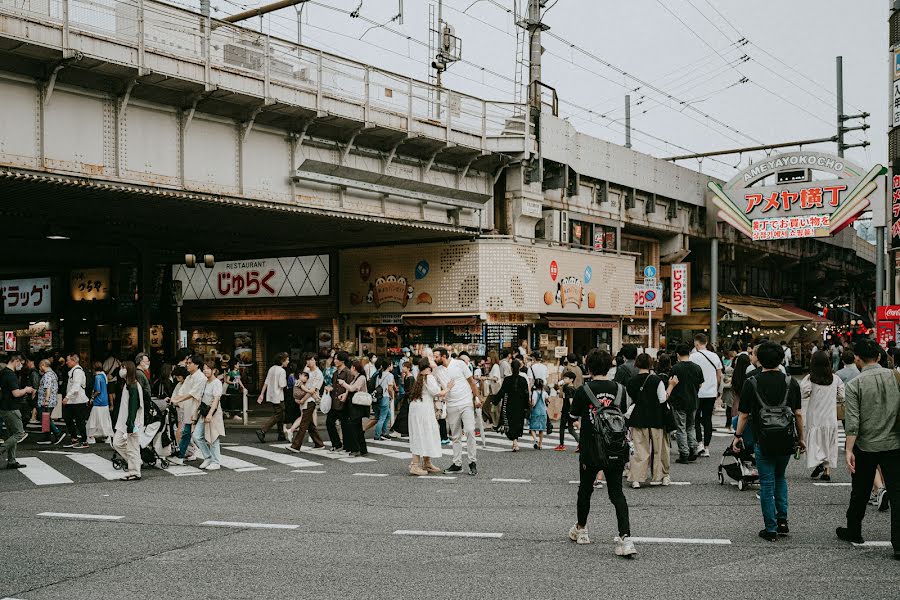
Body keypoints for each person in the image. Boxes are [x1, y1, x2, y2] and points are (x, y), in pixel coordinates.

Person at [732, 341, 804, 542]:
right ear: (781, 359)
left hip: (762, 439)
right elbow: (798, 414)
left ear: (759, 360)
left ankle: (770, 528)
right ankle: (782, 521)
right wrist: (802, 439)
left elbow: (744, 415)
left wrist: (737, 437)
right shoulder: (791, 382)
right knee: (780, 478)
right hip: (785, 439)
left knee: (766, 483)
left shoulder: (752, 382)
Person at [568, 349, 635, 557]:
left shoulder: (583, 390)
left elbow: (572, 416)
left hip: (590, 448)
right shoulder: (621, 390)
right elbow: (626, 414)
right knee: (617, 493)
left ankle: (582, 529)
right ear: (610, 366)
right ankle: (625, 538)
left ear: (588, 367)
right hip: (615, 448)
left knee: (585, 490)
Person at [836, 339, 900, 560]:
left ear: (857, 359)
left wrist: (848, 450)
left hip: (866, 445)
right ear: (880, 357)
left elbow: (853, 422)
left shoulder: (855, 384)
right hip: (894, 443)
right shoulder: (896, 378)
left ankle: (854, 530)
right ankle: (899, 545)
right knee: (898, 493)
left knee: (860, 491)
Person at [433, 347, 482, 475]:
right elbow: (433, 384)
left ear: (444, 356)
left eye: (436, 356)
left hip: (466, 402)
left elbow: (471, 382)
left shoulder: (459, 364)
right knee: (455, 436)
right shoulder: (437, 371)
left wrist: (476, 397)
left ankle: (472, 462)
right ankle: (457, 463)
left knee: (470, 431)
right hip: (451, 405)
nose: (434, 359)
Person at [625, 353, 670, 488]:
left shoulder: (631, 381)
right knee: (660, 449)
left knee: (639, 448)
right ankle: (662, 476)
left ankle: (636, 478)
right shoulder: (656, 380)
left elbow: (629, 401)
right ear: (651, 364)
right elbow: (662, 399)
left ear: (637, 364)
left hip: (638, 417)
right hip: (656, 417)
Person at [801, 351, 843, 482]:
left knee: (816, 442)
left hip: (815, 417)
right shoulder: (835, 379)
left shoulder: (810, 379)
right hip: (830, 416)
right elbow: (842, 395)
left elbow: (803, 393)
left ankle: (819, 462)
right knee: (829, 443)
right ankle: (827, 471)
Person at [407, 358, 446, 476]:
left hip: (417, 409)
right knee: (423, 433)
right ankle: (415, 465)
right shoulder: (429, 377)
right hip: (423, 410)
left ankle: (426, 462)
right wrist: (448, 388)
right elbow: (437, 392)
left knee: (422, 433)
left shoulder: (421, 375)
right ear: (429, 366)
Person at [669, 344, 703, 464]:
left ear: (678, 354)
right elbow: (700, 385)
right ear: (689, 353)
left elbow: (671, 384)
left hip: (679, 402)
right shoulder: (697, 367)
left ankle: (684, 453)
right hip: (693, 401)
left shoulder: (675, 368)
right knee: (691, 426)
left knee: (681, 428)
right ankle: (693, 449)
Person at [0, 353, 35, 469]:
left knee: (12, 434)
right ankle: (3, 451)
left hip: (4, 407)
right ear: (16, 361)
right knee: (19, 433)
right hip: (12, 408)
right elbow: (16, 393)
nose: (21, 366)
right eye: (21, 363)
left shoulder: (3, 373)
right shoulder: (11, 375)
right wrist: (26, 389)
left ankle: (11, 461)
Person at [168, 355, 205, 463]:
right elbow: (182, 391)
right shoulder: (189, 377)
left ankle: (209, 457)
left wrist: (177, 400)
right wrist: (174, 399)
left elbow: (192, 394)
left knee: (199, 435)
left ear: (197, 365)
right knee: (187, 433)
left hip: (197, 409)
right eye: (187, 363)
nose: (187, 365)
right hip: (189, 409)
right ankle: (181, 455)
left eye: (189, 363)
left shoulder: (200, 377)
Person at [690, 334, 722, 458]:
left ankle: (699, 444)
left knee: (696, 419)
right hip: (711, 392)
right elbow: (719, 375)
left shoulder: (693, 357)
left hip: (697, 392)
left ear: (696, 344)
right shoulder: (714, 356)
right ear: (706, 342)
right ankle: (707, 448)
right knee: (708, 419)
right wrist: (716, 389)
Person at [113, 361, 144, 481]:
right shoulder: (128, 384)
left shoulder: (133, 386)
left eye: (123, 368)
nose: (121, 370)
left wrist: (130, 423)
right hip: (125, 422)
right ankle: (136, 462)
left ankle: (135, 471)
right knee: (117, 443)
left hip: (132, 422)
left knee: (133, 447)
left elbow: (133, 406)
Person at [190, 363, 225, 471]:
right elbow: (200, 399)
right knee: (196, 435)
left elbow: (216, 399)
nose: (205, 371)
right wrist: (195, 413)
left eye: (208, 369)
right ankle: (208, 457)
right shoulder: (205, 382)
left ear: (214, 370)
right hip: (204, 412)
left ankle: (216, 462)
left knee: (213, 437)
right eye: (204, 369)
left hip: (213, 413)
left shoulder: (217, 383)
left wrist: (210, 414)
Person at [288, 358, 326, 452]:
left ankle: (296, 446)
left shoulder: (318, 374)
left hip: (310, 400)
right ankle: (319, 443)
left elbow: (312, 390)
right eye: (308, 360)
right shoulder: (306, 370)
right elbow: (300, 382)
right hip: (304, 400)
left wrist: (302, 400)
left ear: (315, 361)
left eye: (311, 360)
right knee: (310, 424)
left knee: (303, 424)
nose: (309, 362)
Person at [337, 361, 369, 457]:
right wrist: (343, 395)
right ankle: (362, 449)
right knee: (357, 427)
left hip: (357, 407)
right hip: (353, 406)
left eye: (351, 367)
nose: (350, 369)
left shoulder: (361, 378)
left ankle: (356, 449)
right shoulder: (355, 378)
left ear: (354, 368)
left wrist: (343, 383)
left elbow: (352, 389)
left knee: (354, 427)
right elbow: (349, 390)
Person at [256, 352, 289, 443]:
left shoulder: (271, 369)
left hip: (271, 395)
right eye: (287, 360)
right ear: (282, 361)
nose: (288, 362)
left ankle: (281, 434)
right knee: (278, 415)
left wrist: (262, 394)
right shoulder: (282, 371)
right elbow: (282, 384)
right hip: (279, 396)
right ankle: (262, 430)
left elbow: (266, 382)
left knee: (281, 415)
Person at [497, 360, 529, 452]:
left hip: (509, 404)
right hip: (520, 405)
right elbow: (526, 393)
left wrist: (495, 401)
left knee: (510, 423)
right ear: (519, 368)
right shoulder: (523, 380)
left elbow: (502, 391)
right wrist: (527, 406)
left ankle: (514, 441)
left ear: (511, 368)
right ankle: (515, 441)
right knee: (518, 422)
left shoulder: (507, 379)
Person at [61, 353, 90, 449]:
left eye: (68, 360)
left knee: (79, 421)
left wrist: (67, 397)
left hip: (78, 401)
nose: (66, 362)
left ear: (74, 360)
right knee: (68, 419)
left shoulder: (77, 372)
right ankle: (74, 439)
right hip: (73, 401)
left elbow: (76, 387)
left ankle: (84, 441)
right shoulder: (74, 371)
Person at [35, 359, 64, 445]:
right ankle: (46, 436)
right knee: (45, 419)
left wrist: (46, 400)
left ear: (43, 365)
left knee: (45, 418)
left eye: (40, 366)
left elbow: (48, 388)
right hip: (50, 400)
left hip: (46, 400)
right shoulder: (53, 374)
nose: (40, 368)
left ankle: (58, 433)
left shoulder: (47, 375)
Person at [86, 362, 113, 444]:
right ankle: (107, 436)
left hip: (98, 401)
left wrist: (92, 398)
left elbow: (98, 390)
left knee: (93, 420)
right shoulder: (104, 376)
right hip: (105, 401)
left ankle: (91, 436)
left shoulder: (97, 377)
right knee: (105, 419)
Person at [554, 370, 580, 451]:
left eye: (566, 378)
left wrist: (570, 411)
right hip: (569, 411)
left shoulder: (569, 389)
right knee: (570, 428)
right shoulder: (568, 387)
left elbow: (571, 401)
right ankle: (580, 444)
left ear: (571, 379)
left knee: (562, 427)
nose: (564, 379)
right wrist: (559, 386)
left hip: (567, 411)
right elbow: (561, 395)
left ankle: (562, 445)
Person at [373, 359, 396, 441]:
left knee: (388, 415)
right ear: (389, 366)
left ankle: (384, 432)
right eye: (392, 365)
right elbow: (390, 388)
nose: (392, 366)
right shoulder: (390, 375)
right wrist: (392, 396)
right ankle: (377, 435)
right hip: (385, 397)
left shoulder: (379, 375)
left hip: (379, 398)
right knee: (382, 417)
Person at [529, 377, 548, 450]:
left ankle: (535, 439)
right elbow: (547, 400)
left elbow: (533, 403)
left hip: (535, 411)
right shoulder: (545, 393)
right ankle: (540, 444)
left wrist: (530, 404)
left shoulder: (534, 393)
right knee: (541, 429)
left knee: (533, 428)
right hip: (543, 411)